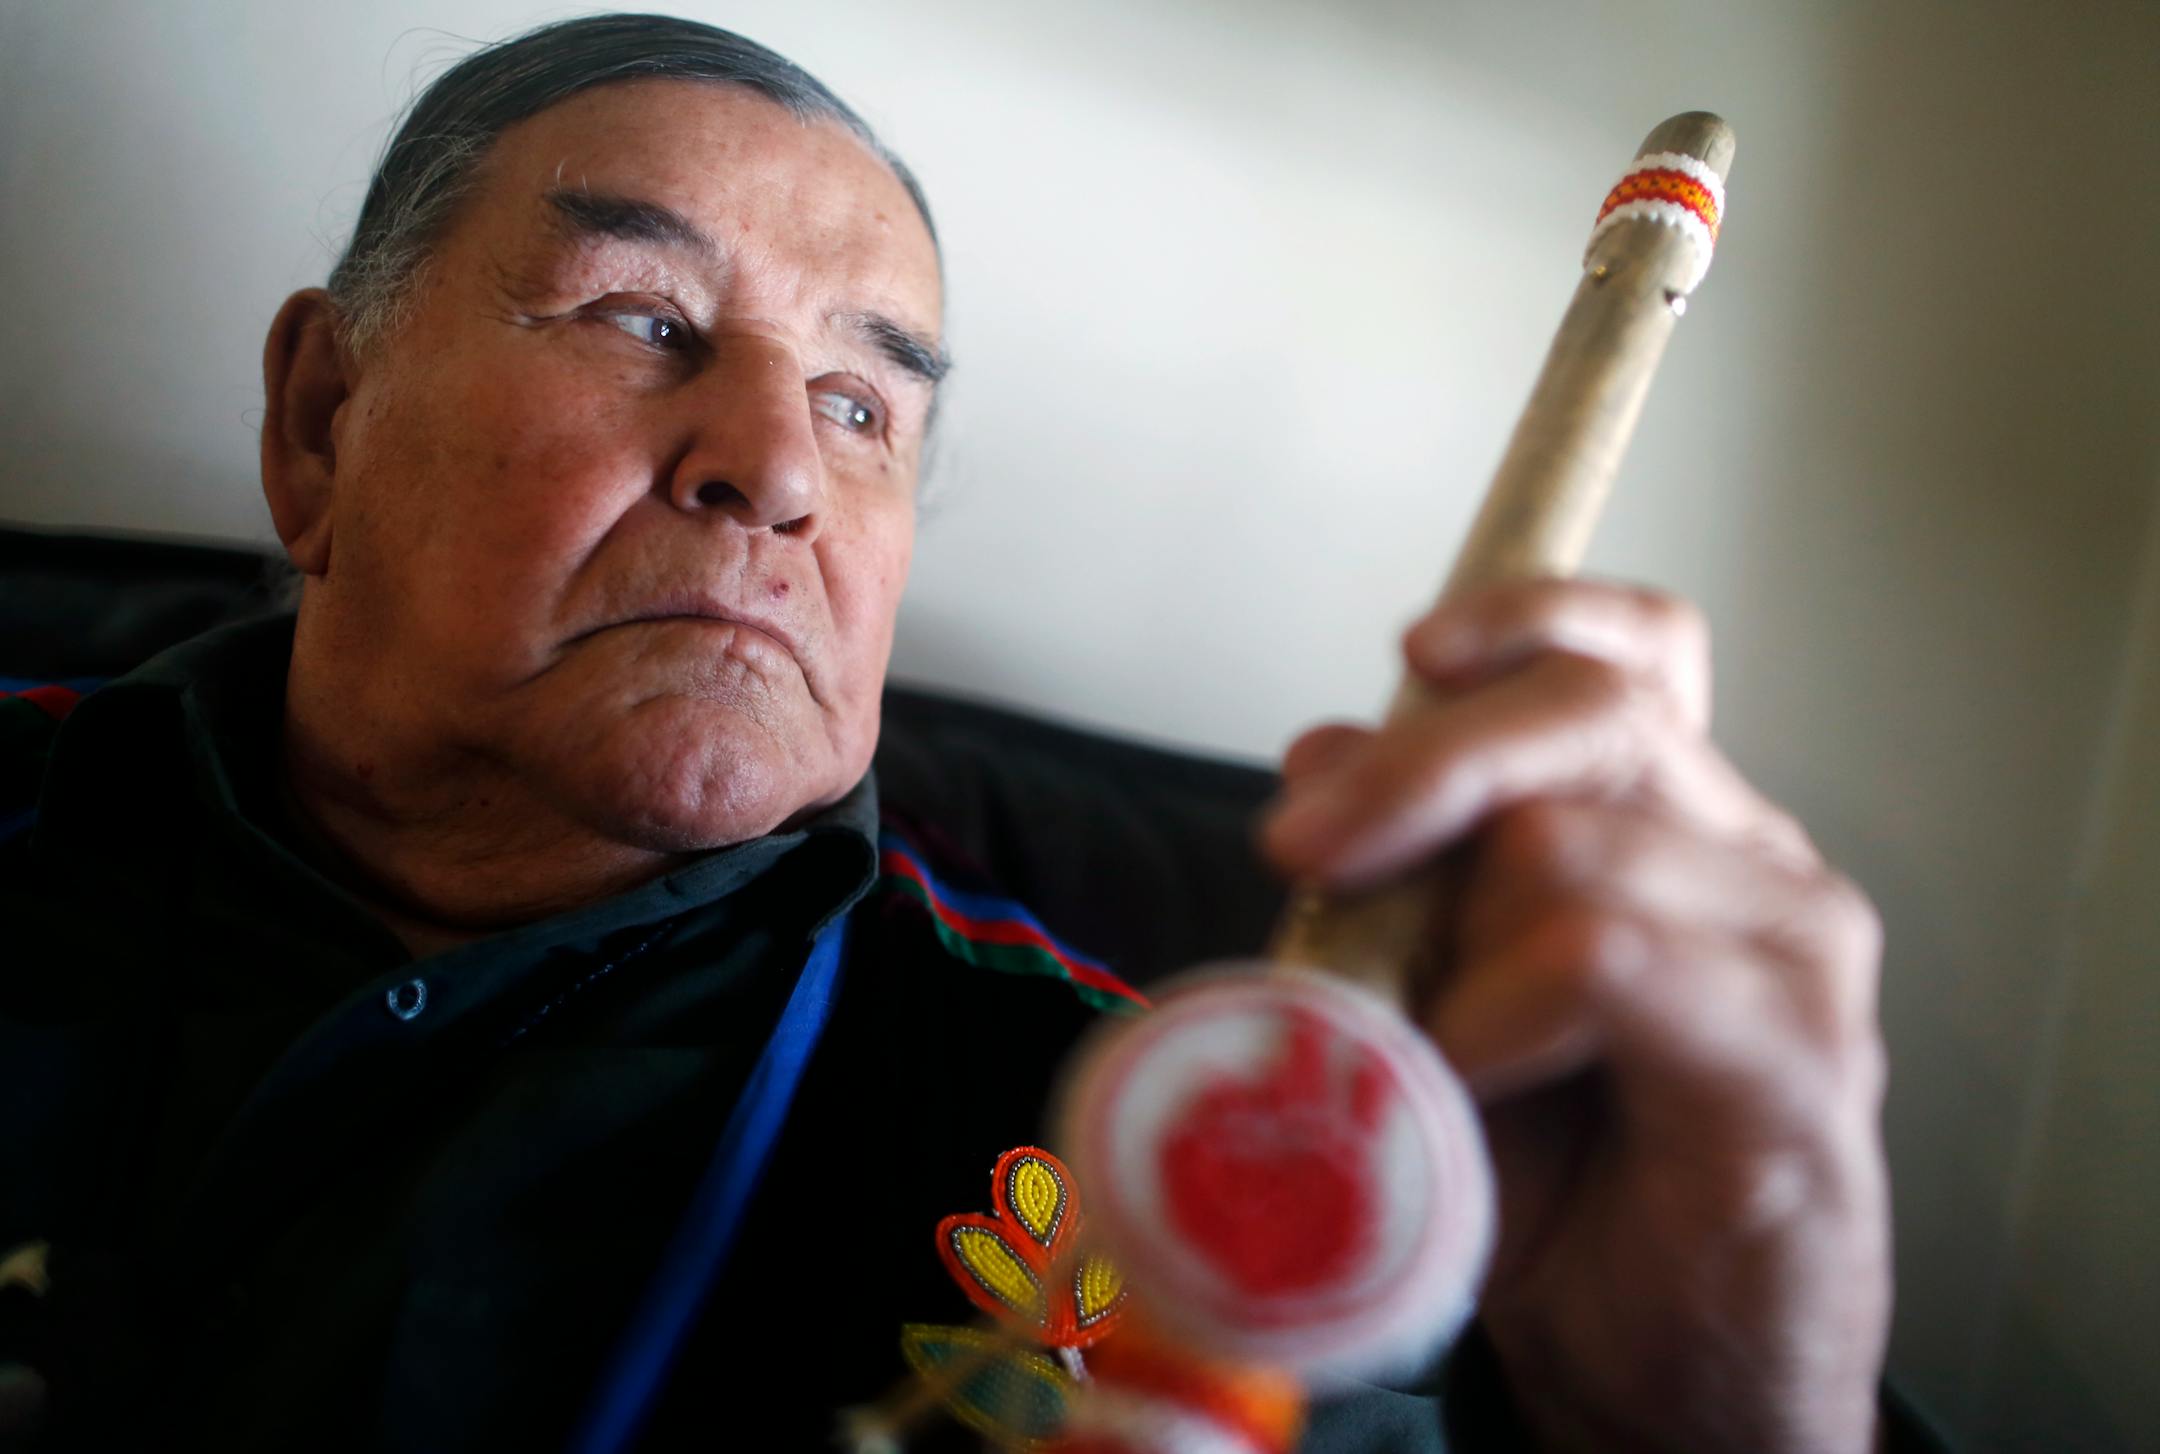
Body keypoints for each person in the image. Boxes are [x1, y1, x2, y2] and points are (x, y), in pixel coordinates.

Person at [0, 14, 1904, 1452]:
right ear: (323, 420)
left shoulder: (1149, 1159)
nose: (771, 469)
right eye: (646, 317)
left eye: (860, 406)